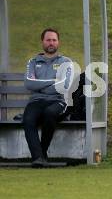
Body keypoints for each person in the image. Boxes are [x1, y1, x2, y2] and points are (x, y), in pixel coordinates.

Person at [23, 28, 73, 168]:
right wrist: (53, 81)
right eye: (48, 40)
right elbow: (29, 83)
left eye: (54, 40)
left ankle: (41, 154)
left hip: (58, 101)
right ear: (42, 42)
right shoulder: (33, 62)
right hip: (36, 101)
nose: (51, 43)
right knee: (28, 120)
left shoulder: (66, 62)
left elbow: (64, 86)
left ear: (58, 42)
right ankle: (38, 157)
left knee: (49, 114)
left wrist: (39, 85)